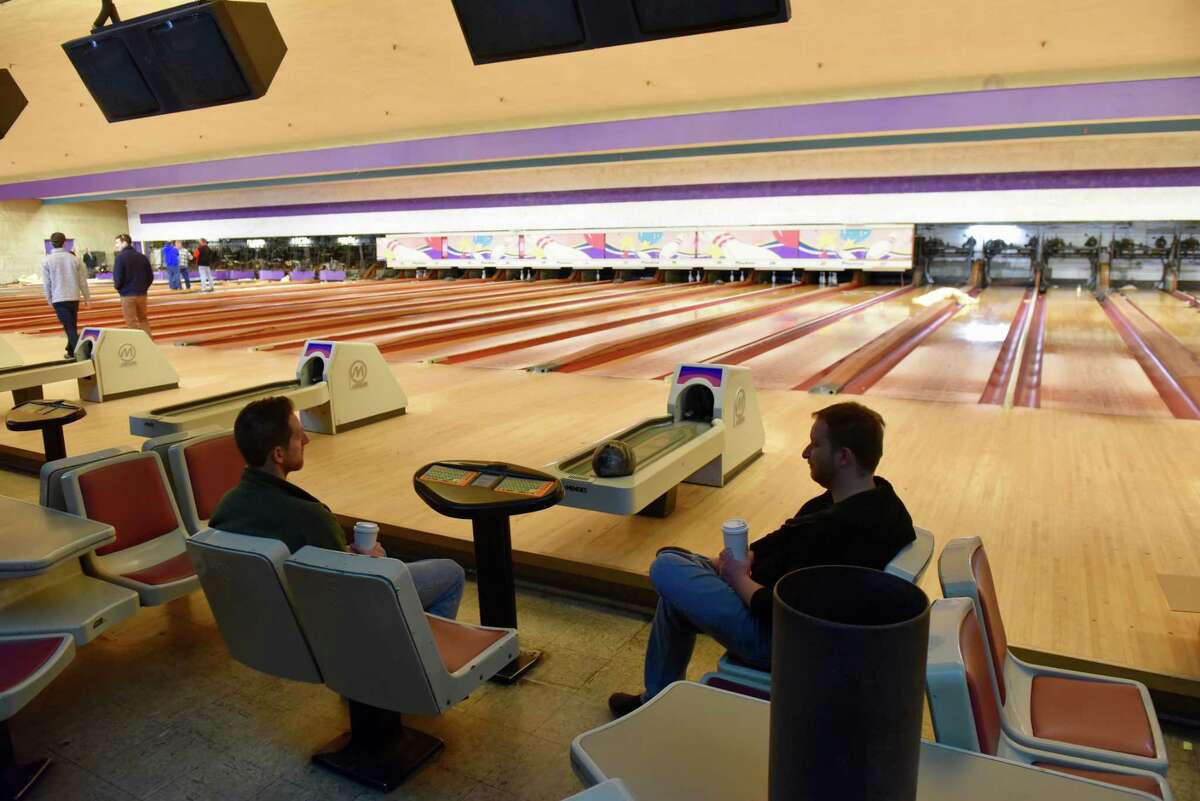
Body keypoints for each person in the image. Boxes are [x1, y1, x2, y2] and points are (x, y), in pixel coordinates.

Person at [608, 402, 915, 717]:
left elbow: (784, 607)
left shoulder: (839, 530)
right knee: (677, 585)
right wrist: (729, 564)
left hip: (783, 641)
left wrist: (739, 578)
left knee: (666, 567)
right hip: (785, 616)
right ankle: (657, 702)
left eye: (816, 444)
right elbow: (783, 540)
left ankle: (656, 703)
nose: (805, 453)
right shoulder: (877, 501)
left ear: (844, 457)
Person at [209, 396, 466, 619]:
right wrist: (368, 563)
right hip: (333, 624)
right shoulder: (310, 516)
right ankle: (418, 659)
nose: (307, 440)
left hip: (274, 624)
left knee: (380, 552)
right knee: (450, 573)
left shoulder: (225, 508)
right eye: (299, 436)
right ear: (278, 454)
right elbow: (345, 584)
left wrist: (350, 555)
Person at [41, 232, 90, 358]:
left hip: (59, 298)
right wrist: (87, 298)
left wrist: (49, 299)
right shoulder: (74, 259)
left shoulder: (46, 260)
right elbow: (82, 281)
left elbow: (47, 283)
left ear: (51, 243)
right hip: (74, 297)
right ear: (65, 242)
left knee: (69, 327)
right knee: (71, 325)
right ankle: (70, 350)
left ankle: (80, 354)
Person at [112, 234, 153, 335]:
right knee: (143, 319)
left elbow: (118, 277)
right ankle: (148, 343)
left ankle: (138, 345)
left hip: (127, 294)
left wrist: (119, 288)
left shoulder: (120, 258)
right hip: (142, 294)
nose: (116, 245)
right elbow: (150, 276)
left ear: (124, 242)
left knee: (131, 322)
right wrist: (144, 288)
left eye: (117, 243)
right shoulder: (142, 257)